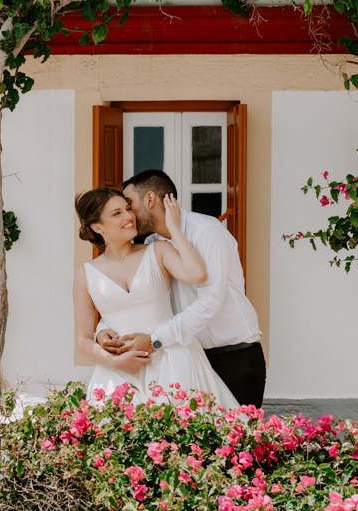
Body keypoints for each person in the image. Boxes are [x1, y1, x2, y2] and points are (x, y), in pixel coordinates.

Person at [97, 170, 266, 407]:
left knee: (238, 441)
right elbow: (138, 300)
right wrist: (103, 329)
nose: (128, 214)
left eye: (129, 204)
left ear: (150, 199)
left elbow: (210, 303)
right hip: (188, 361)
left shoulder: (207, 231)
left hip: (232, 357)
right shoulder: (151, 244)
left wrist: (155, 339)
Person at [73, 187, 240, 408]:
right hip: (117, 374)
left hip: (174, 361)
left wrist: (174, 228)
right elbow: (83, 341)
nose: (129, 216)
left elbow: (197, 273)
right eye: (117, 213)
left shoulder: (158, 250)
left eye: (128, 209)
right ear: (97, 227)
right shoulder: (85, 275)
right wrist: (115, 362)